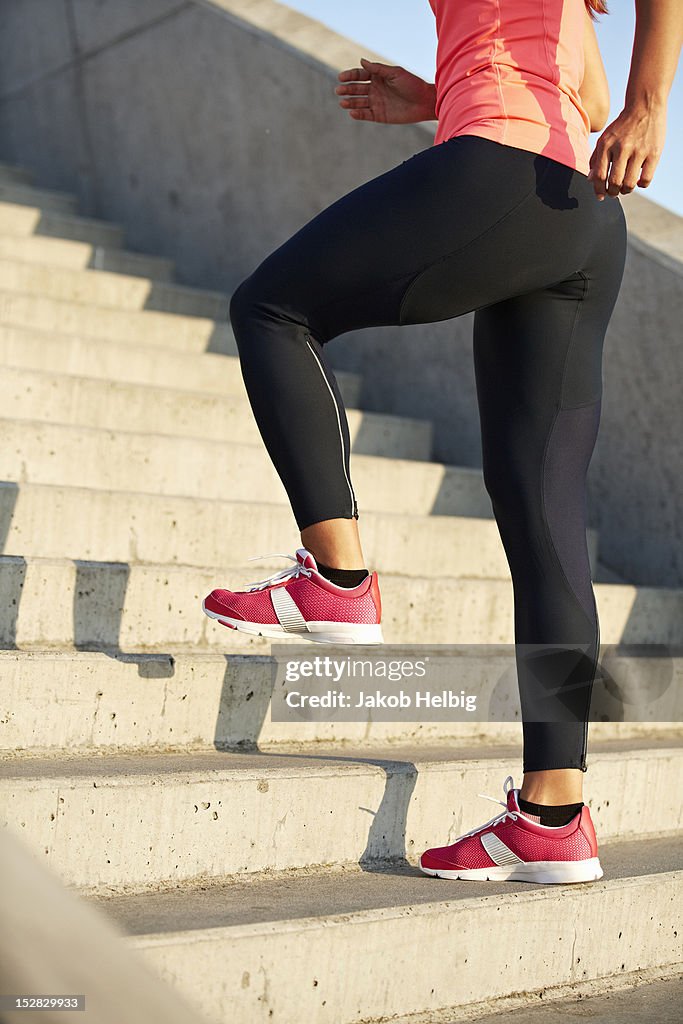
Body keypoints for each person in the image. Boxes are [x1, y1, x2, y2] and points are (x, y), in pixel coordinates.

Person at [203, 0, 682, 883]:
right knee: (543, 517)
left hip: (504, 171)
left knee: (271, 309)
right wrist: (440, 93)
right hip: (577, 211)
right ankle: (552, 815)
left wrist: (650, 103)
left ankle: (337, 580)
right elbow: (549, 60)